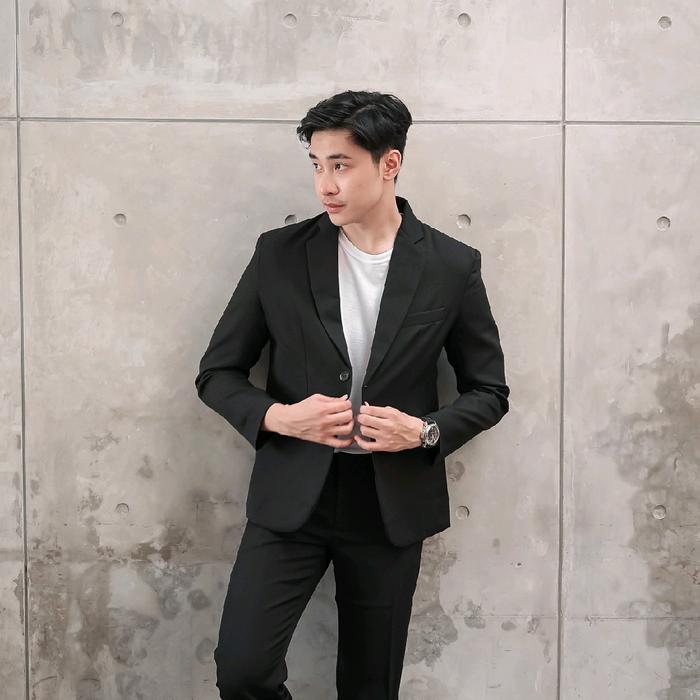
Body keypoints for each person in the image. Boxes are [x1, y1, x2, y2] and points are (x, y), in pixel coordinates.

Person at [194, 89, 510, 700]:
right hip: (293, 497)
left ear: (389, 163)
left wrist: (425, 431)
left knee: (370, 687)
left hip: (389, 504)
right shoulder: (279, 254)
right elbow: (218, 373)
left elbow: (489, 390)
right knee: (243, 671)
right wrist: (280, 417)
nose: (325, 185)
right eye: (316, 165)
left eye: (340, 165)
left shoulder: (451, 265)